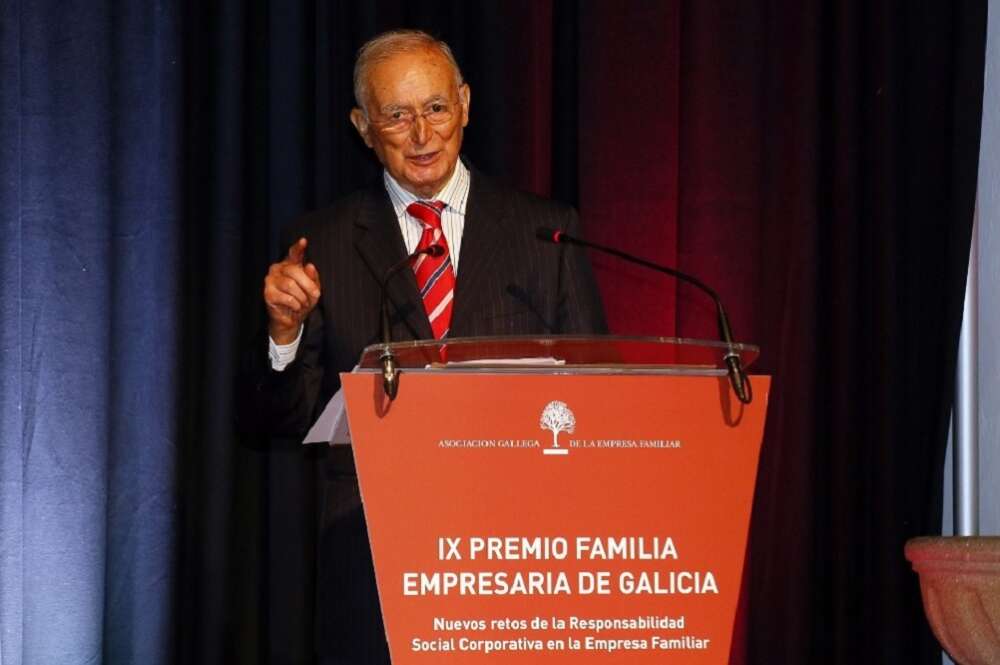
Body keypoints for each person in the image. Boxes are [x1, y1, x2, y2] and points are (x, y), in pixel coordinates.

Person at [248, 29, 606, 664]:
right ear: (363, 126)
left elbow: (593, 397)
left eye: (436, 108)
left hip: (515, 557)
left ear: (464, 104)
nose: (422, 135)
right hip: (375, 560)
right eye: (397, 115)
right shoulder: (322, 242)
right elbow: (282, 418)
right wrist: (284, 333)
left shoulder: (546, 232)